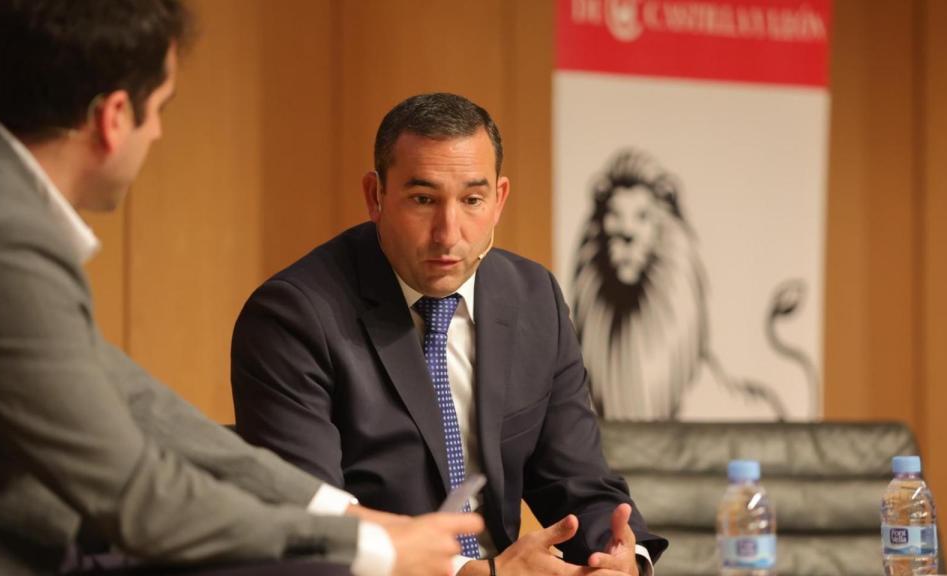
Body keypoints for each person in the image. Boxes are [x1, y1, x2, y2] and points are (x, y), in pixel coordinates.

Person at [0, 3, 480, 575]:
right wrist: (372, 551)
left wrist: (342, 513)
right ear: (115, 116)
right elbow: (139, 499)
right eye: (160, 110)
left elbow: (130, 397)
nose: (158, 133)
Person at [232, 93, 669, 576]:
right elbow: (312, 523)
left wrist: (620, 557)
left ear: (499, 199)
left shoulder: (532, 297)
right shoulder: (294, 316)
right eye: (423, 200)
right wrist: (476, 574)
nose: (448, 232)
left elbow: (578, 480)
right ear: (375, 197)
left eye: (472, 200)